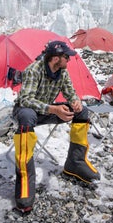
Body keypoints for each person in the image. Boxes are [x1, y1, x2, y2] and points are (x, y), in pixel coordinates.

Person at [12, 40, 100, 213]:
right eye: (66, 56)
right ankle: (25, 182)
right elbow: (25, 99)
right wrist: (53, 109)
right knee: (27, 115)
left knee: (82, 112)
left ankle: (75, 163)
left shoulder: (63, 71)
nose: (69, 59)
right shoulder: (34, 70)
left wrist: (75, 102)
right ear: (55, 58)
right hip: (26, 111)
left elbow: (70, 91)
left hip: (47, 110)